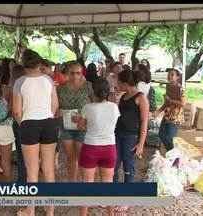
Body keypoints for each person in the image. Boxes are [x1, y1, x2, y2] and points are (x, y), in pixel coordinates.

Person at [13, 49, 58, 216]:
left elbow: (17, 112)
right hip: (48, 123)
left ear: (24, 64)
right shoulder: (48, 80)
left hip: (29, 124)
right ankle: (50, 211)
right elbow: (54, 105)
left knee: (31, 171)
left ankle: (30, 210)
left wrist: (23, 124)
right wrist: (47, 118)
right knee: (49, 169)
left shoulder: (19, 82)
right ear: (39, 63)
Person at [73, 78, 120, 216]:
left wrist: (78, 120)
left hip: (90, 148)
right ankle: (110, 214)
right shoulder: (114, 107)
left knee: (87, 185)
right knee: (108, 184)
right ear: (107, 92)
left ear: (93, 91)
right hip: (109, 148)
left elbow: (81, 127)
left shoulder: (87, 107)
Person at [57, 61, 94, 182]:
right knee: (71, 157)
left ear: (82, 73)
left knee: (82, 158)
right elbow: (55, 108)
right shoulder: (60, 88)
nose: (75, 76)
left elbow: (95, 104)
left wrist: (85, 117)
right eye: (72, 73)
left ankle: (83, 185)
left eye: (78, 73)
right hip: (66, 126)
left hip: (83, 126)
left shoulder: (88, 86)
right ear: (67, 73)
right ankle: (72, 184)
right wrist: (61, 112)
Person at [114, 69, 149, 183]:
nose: (117, 84)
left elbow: (144, 121)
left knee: (128, 166)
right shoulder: (123, 96)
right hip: (118, 134)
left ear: (125, 84)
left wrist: (141, 144)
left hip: (131, 137)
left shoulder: (141, 97)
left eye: (118, 82)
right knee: (114, 163)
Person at [157, 68, 186, 151]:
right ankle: (172, 153)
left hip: (175, 117)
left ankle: (175, 155)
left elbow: (183, 103)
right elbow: (166, 102)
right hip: (167, 115)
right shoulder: (168, 86)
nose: (169, 76)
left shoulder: (180, 88)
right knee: (161, 135)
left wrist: (170, 100)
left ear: (177, 77)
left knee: (170, 138)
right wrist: (158, 111)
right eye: (168, 74)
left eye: (172, 74)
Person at [10, 64, 27, 182]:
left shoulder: (15, 86)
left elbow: (14, 110)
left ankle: (22, 180)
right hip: (33, 121)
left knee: (21, 154)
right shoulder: (30, 85)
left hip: (20, 122)